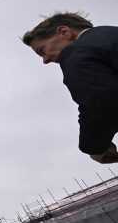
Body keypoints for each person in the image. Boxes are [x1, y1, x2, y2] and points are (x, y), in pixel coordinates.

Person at [22, 13, 118, 164]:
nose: (45, 60)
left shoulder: (77, 52)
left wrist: (94, 146)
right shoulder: (111, 34)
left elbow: (98, 100)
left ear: (64, 33)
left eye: (42, 50)